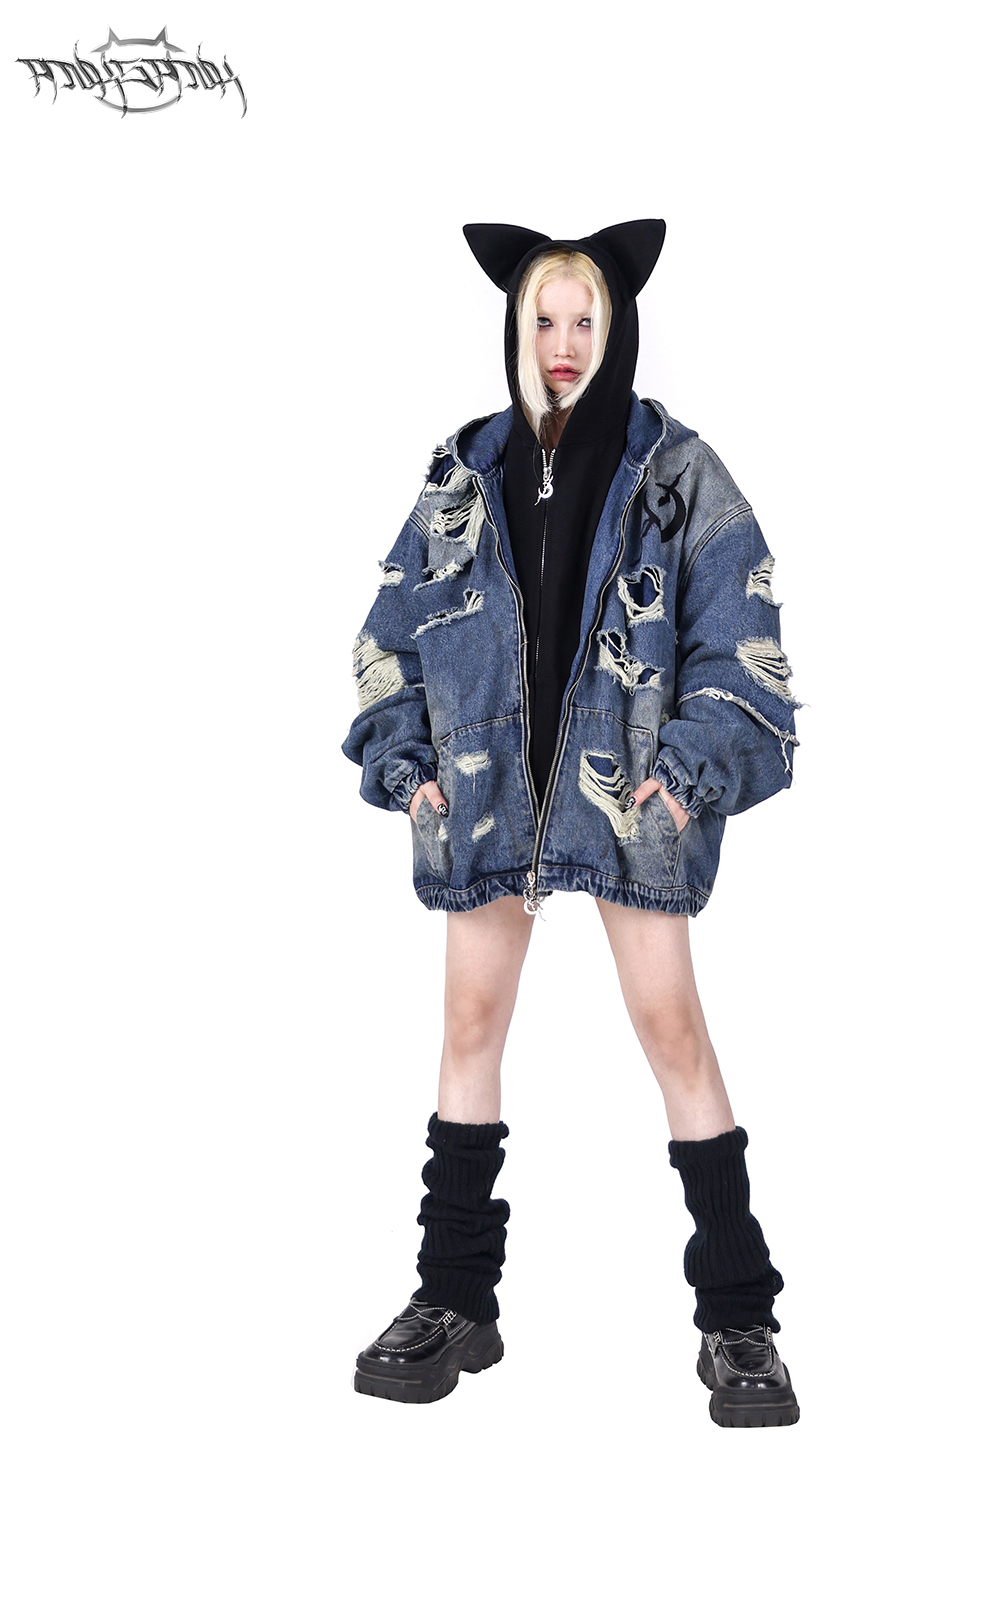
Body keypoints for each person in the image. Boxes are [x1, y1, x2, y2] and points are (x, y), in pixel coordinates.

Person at [342, 220, 801, 1428]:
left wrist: (687, 772)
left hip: (629, 795)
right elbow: (390, 634)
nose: (562, 342)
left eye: (584, 320)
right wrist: (411, 766)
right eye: (543, 319)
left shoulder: (677, 472)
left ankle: (739, 1316)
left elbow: (739, 637)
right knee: (469, 1024)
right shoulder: (463, 470)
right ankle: (454, 1299)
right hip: (486, 791)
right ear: (514, 328)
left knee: (672, 1030)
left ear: (616, 329)